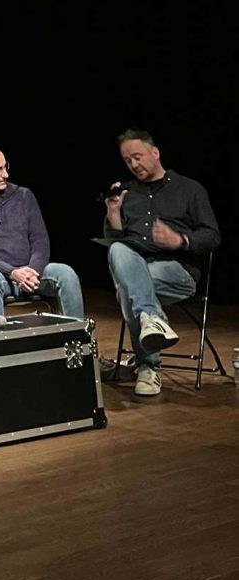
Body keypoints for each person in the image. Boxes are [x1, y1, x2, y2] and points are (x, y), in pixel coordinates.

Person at [103, 128, 221, 398]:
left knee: (127, 288)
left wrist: (180, 240)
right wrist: (113, 212)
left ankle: (148, 364)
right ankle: (151, 322)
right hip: (137, 267)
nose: (133, 164)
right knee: (121, 253)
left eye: (138, 156)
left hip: (178, 271)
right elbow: (114, 241)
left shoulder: (189, 189)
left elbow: (212, 236)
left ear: (155, 153)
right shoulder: (126, 193)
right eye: (127, 160)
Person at [0, 143, 84, 321]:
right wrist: (13, 272)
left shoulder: (23, 195)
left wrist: (31, 271)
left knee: (65, 273)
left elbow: (40, 240)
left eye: (5, 167)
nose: (5, 175)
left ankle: (76, 340)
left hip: (32, 272)